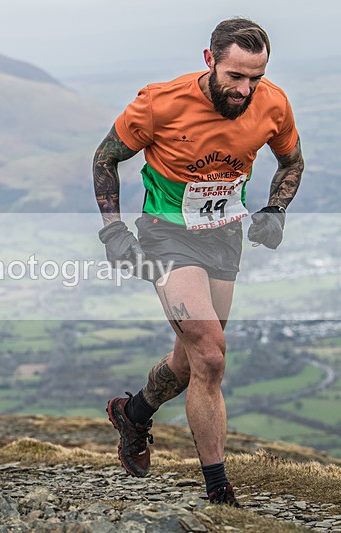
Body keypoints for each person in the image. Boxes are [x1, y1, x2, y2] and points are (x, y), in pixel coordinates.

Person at [93, 18, 304, 506]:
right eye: (235, 76)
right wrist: (113, 230)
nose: (246, 88)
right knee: (211, 354)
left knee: (189, 364)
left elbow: (291, 161)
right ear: (209, 60)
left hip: (224, 238)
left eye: (256, 76)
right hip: (168, 236)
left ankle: (135, 412)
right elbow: (105, 158)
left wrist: (275, 210)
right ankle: (219, 491)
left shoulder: (273, 103)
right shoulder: (161, 102)